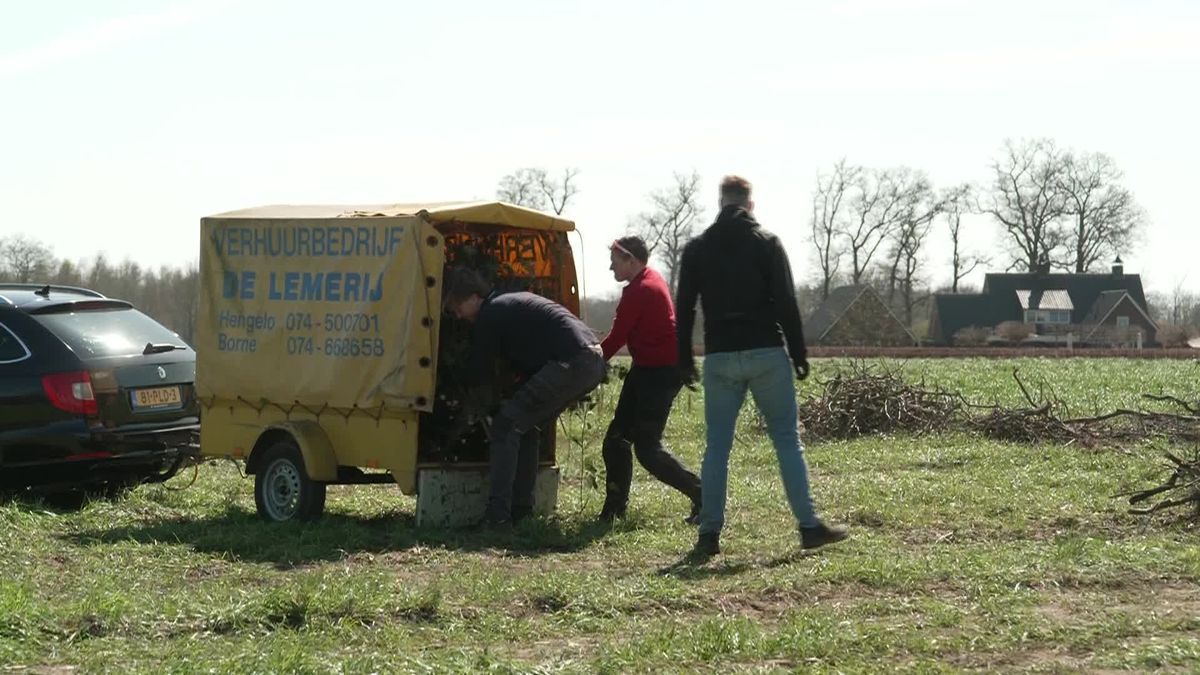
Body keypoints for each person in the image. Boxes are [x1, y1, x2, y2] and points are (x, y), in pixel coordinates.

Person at [675, 175, 848, 558]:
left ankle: (709, 534)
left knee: (717, 447)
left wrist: (684, 358)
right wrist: (799, 353)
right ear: (750, 205)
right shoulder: (766, 243)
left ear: (720, 203)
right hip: (766, 352)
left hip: (720, 355)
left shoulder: (697, 249)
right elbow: (786, 301)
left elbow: (684, 306)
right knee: (786, 440)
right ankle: (808, 526)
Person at [443, 268, 606, 528]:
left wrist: (457, 384)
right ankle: (521, 510)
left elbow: (479, 367)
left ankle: (497, 516)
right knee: (527, 427)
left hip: (573, 361)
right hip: (591, 359)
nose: (458, 315)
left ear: (474, 297)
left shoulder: (491, 313)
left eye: (457, 307)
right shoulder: (506, 304)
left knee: (505, 426)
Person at [598, 236, 702, 523]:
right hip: (647, 369)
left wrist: (587, 363)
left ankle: (704, 495)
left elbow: (616, 338)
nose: (610, 268)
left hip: (661, 373)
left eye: (615, 261)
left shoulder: (641, 290)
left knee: (647, 449)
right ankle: (614, 510)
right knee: (616, 440)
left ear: (631, 260)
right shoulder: (651, 278)